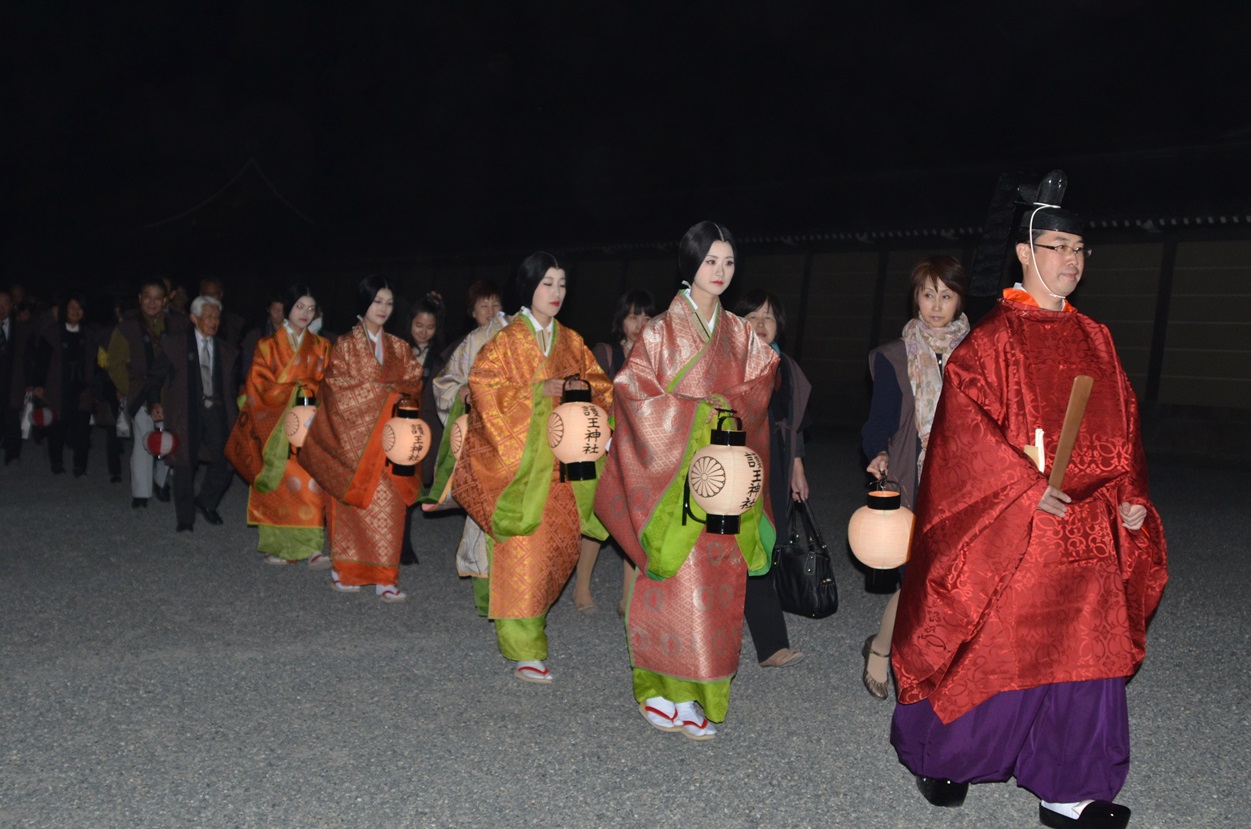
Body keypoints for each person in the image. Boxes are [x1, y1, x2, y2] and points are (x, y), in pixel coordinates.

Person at [889, 175, 1168, 829]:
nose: (1069, 260)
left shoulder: (1096, 337)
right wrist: (1020, 490)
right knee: (997, 648)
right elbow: (963, 440)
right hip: (1023, 527)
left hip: (1093, 529)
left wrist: (1130, 498)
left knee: (1086, 657)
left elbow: (1124, 426)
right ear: (1023, 253)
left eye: (1077, 248)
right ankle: (946, 756)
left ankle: (1068, 789)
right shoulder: (992, 341)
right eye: (1055, 246)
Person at [595, 221, 778, 740]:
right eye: (710, 262)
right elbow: (631, 394)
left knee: (720, 584)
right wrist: (698, 416)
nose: (719, 272)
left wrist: (729, 406)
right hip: (671, 481)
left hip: (724, 476)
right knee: (678, 582)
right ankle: (660, 690)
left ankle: (700, 692)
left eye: (728, 262)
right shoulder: (659, 331)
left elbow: (765, 379)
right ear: (690, 264)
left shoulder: (740, 333)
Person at [453, 253, 612, 684]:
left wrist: (581, 392)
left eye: (562, 284)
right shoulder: (506, 341)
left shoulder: (571, 341)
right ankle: (525, 647)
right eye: (547, 284)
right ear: (528, 288)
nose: (556, 292)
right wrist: (539, 390)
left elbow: (600, 387)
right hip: (521, 469)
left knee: (557, 551)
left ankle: (517, 612)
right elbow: (484, 388)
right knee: (524, 551)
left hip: (562, 469)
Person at [859, 256, 970, 699]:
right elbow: (878, 419)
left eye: (946, 295)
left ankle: (943, 663)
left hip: (964, 479)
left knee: (956, 581)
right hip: (912, 476)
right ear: (916, 298)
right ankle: (881, 651)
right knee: (918, 580)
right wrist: (877, 453)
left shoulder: (978, 352)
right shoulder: (895, 355)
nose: (936, 305)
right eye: (928, 294)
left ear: (960, 298)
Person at [300, 276, 423, 601]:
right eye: (377, 301)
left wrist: (395, 395)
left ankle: (386, 578)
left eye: (388, 303)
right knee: (351, 512)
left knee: (390, 512)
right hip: (353, 445)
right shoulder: (345, 346)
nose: (383, 309)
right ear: (364, 304)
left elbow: (413, 381)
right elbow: (337, 390)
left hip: (389, 445)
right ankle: (346, 572)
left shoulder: (399, 347)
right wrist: (385, 394)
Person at [226, 284, 331, 566]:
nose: (305, 314)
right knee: (278, 485)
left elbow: (327, 387)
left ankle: (311, 548)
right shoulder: (267, 346)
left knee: (310, 483)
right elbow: (257, 385)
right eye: (300, 307)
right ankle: (277, 547)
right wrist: (292, 391)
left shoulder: (321, 347)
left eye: (311, 308)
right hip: (275, 424)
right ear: (287, 308)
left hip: (308, 423)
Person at [734, 288, 810, 668]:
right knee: (740, 545)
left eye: (768, 317)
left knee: (763, 544)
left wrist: (797, 465)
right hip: (735, 462)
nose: (761, 324)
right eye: (752, 316)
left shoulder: (785, 367)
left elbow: (795, 423)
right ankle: (768, 642)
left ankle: (766, 642)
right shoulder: (729, 363)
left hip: (775, 464)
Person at [573, 289, 656, 615]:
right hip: (604, 447)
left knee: (632, 523)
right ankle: (581, 589)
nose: (640, 323)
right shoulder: (605, 353)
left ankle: (627, 598)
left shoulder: (657, 357)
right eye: (634, 315)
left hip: (639, 450)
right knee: (598, 520)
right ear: (621, 319)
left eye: (648, 317)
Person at [429, 280, 506, 585]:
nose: (491, 311)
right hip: (484, 431)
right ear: (473, 313)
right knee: (485, 497)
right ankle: (486, 572)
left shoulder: (521, 335)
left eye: (495, 304)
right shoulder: (471, 342)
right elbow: (444, 382)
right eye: (483, 306)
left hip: (522, 429)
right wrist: (462, 392)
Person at [151, 295, 239, 533]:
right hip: (186, 412)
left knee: (228, 459)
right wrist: (154, 403)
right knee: (184, 464)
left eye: (217, 317)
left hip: (216, 411)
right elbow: (156, 377)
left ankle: (206, 501)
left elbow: (231, 387)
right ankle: (185, 518)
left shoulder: (226, 350)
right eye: (208, 317)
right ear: (194, 318)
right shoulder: (175, 345)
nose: (214, 322)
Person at [107, 279, 184, 507]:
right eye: (147, 297)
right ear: (140, 298)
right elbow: (114, 363)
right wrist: (128, 388)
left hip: (170, 392)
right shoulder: (127, 328)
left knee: (170, 438)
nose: (152, 302)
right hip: (141, 391)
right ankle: (141, 493)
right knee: (144, 440)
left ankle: (161, 482)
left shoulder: (177, 325)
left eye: (157, 297)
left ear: (165, 300)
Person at [400, 291, 447, 565]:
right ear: (409, 324)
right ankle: (396, 543)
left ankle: (404, 544)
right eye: (419, 326)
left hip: (423, 428)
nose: (424, 332)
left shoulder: (439, 357)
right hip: (397, 424)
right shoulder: (397, 349)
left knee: (413, 486)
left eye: (430, 327)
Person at [30, 293, 96, 476]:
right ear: (64, 310)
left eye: (79, 308)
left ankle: (80, 466)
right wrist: (38, 384)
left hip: (82, 389)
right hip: (58, 387)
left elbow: (97, 362)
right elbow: (41, 360)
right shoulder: (51, 333)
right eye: (72, 307)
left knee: (83, 429)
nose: (75, 311)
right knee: (57, 427)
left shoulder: (89, 335)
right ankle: (56, 461)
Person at [0, 290, 32, 465]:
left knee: (12, 418)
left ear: (11, 306)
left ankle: (13, 454)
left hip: (12, 380)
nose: (1, 308)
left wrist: (30, 381)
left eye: (5, 303)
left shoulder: (21, 328)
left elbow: (29, 356)